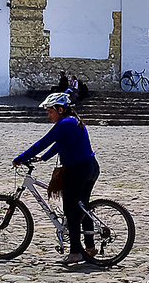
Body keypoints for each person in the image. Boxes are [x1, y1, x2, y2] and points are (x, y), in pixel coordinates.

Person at [14, 92, 100, 265]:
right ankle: (90, 248)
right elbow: (59, 144)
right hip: (90, 167)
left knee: (71, 210)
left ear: (60, 109)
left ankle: (76, 252)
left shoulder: (64, 123)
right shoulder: (73, 121)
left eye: (50, 111)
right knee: (83, 207)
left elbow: (44, 141)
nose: (49, 115)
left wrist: (21, 158)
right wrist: (43, 158)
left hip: (78, 169)